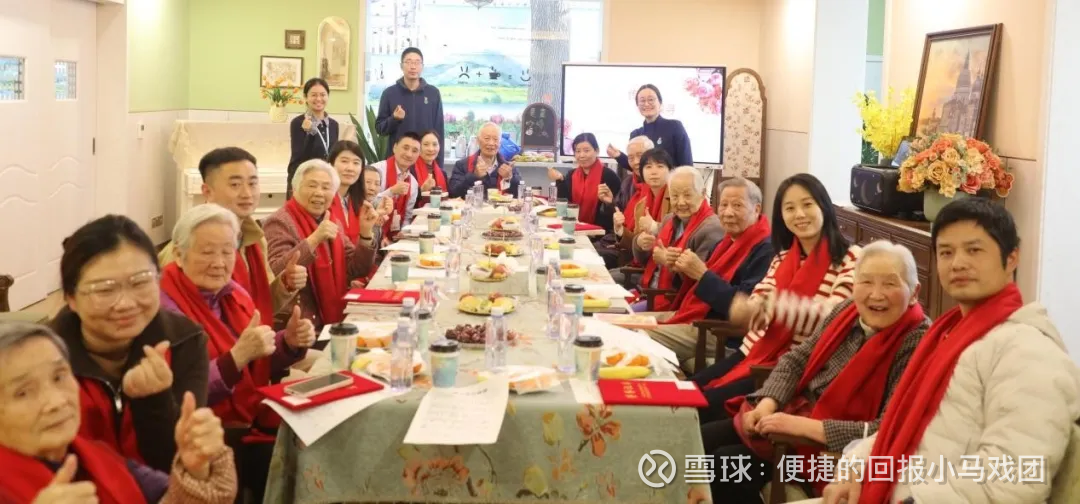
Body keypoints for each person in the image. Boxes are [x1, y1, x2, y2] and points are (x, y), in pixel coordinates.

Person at [821, 199, 1080, 504]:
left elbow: (1014, 478)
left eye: (974, 250)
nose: (957, 263)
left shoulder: (1028, 351)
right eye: (946, 252)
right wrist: (852, 469)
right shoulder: (948, 335)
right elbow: (902, 428)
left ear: (1012, 258)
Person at [704, 241, 930, 502]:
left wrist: (804, 427)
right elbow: (796, 359)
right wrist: (768, 402)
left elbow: (889, 428)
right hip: (792, 415)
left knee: (725, 465)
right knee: (702, 440)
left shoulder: (918, 341)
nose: (876, 295)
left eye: (890, 284)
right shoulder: (846, 311)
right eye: (866, 282)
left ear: (914, 292)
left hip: (829, 451)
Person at [159, 204, 317, 503]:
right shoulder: (164, 309)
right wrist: (236, 358)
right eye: (207, 252)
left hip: (250, 414)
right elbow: (180, 394)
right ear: (178, 254)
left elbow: (256, 359)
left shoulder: (232, 291)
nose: (219, 263)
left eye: (227, 252)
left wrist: (288, 342)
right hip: (209, 436)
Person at [0, 322, 237, 503]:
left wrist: (196, 468)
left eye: (59, 377)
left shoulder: (99, 458)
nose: (56, 401)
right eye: (23, 392)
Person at [692, 173, 861, 422]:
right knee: (685, 390)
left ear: (824, 206)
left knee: (695, 409)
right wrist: (752, 310)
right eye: (789, 208)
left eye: (807, 204)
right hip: (750, 353)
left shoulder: (852, 259)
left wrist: (768, 308)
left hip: (787, 370)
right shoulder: (782, 258)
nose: (799, 214)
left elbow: (831, 318)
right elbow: (757, 304)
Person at [50, 215, 209, 472]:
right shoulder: (41, 359)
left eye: (140, 282)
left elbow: (180, 459)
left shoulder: (184, 340)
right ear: (71, 298)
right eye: (104, 290)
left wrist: (155, 400)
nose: (126, 304)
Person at [159, 147, 307, 324]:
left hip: (255, 336)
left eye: (252, 184)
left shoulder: (255, 238)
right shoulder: (188, 246)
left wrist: (286, 282)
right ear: (207, 191)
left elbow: (258, 306)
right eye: (235, 185)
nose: (247, 194)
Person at [642, 177, 774, 368]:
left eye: (737, 205)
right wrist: (677, 267)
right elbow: (692, 289)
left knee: (633, 334)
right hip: (694, 315)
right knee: (621, 323)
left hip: (719, 332)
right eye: (724, 205)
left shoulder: (766, 250)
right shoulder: (725, 242)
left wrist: (702, 273)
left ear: (757, 209)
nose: (728, 212)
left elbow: (743, 307)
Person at [264, 160, 378, 329]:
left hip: (331, 314)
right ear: (294, 189)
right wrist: (315, 239)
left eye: (326, 188)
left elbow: (356, 269)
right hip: (298, 323)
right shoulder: (279, 221)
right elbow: (276, 272)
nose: (319, 193)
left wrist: (366, 233)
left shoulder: (331, 220)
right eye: (312, 185)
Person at [630, 166, 723, 312]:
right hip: (646, 291)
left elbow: (698, 282)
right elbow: (645, 261)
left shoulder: (711, 229)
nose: (680, 202)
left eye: (687, 195)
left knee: (614, 316)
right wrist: (640, 244)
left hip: (672, 302)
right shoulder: (670, 219)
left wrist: (669, 262)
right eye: (674, 196)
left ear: (702, 193)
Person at [375, 47, 445, 168]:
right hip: (398, 160)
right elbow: (380, 129)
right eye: (408, 62)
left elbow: (439, 132)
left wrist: (439, 167)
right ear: (401, 66)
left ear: (422, 66)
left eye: (417, 62)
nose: (413, 67)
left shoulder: (433, 93)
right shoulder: (389, 93)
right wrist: (394, 119)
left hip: (425, 161)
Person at [548, 133, 622, 233]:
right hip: (572, 228)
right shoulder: (571, 175)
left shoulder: (609, 176)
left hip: (600, 233)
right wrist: (560, 180)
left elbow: (619, 208)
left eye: (586, 151)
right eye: (577, 151)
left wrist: (609, 203)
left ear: (597, 151)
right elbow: (564, 204)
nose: (581, 155)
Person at [606, 84, 693, 168]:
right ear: (637, 105)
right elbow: (636, 167)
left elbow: (687, 164)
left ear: (660, 103)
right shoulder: (636, 134)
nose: (646, 104)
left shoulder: (674, 127)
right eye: (642, 101)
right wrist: (618, 156)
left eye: (651, 99)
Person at [288, 78, 342, 198]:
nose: (318, 99)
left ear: (328, 96)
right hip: (304, 181)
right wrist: (310, 132)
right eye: (313, 95)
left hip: (325, 183)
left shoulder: (333, 125)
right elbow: (300, 156)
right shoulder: (298, 123)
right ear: (305, 97)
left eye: (323, 95)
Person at [369, 132, 422, 241]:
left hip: (395, 239)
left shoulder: (413, 183)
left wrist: (404, 232)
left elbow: (407, 217)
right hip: (371, 234)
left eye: (414, 151)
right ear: (394, 147)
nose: (409, 154)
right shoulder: (376, 171)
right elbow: (364, 203)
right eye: (405, 148)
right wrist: (391, 191)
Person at [449, 122, 522, 199]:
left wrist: (510, 178)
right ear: (478, 140)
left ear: (500, 143)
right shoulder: (462, 165)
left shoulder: (508, 167)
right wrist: (473, 176)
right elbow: (453, 193)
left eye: (495, 139)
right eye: (487, 138)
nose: (491, 143)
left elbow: (520, 195)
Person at [612, 135, 655, 212]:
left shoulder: (661, 183)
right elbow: (620, 209)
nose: (636, 162)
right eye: (631, 158)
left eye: (640, 156)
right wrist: (610, 201)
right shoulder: (627, 183)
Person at [414, 129, 449, 207]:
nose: (431, 149)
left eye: (435, 144)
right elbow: (405, 201)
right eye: (426, 144)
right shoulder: (411, 169)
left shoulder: (442, 173)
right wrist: (422, 190)